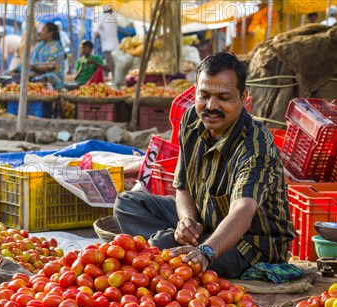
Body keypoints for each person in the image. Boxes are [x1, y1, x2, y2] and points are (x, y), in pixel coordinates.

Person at [113, 53, 295, 278]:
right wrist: (187, 220)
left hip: (251, 243)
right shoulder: (191, 120)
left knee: (163, 247)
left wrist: (206, 251)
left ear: (243, 97)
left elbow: (243, 210)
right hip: (206, 220)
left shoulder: (256, 144)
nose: (211, 106)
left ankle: (174, 244)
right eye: (204, 95)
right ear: (196, 91)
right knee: (126, 203)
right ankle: (178, 241)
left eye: (224, 97)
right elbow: (182, 186)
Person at [27, 22, 65, 90]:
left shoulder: (57, 47)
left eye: (43, 30)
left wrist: (34, 71)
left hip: (52, 76)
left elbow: (51, 67)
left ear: (50, 33)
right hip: (35, 72)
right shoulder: (39, 46)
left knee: (41, 79)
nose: (41, 32)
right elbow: (31, 61)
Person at [93, 4, 119, 77]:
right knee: (115, 65)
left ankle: (113, 82)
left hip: (107, 47)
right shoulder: (114, 16)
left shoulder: (100, 17)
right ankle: (114, 81)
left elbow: (95, 33)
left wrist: (99, 34)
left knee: (111, 65)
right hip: (116, 46)